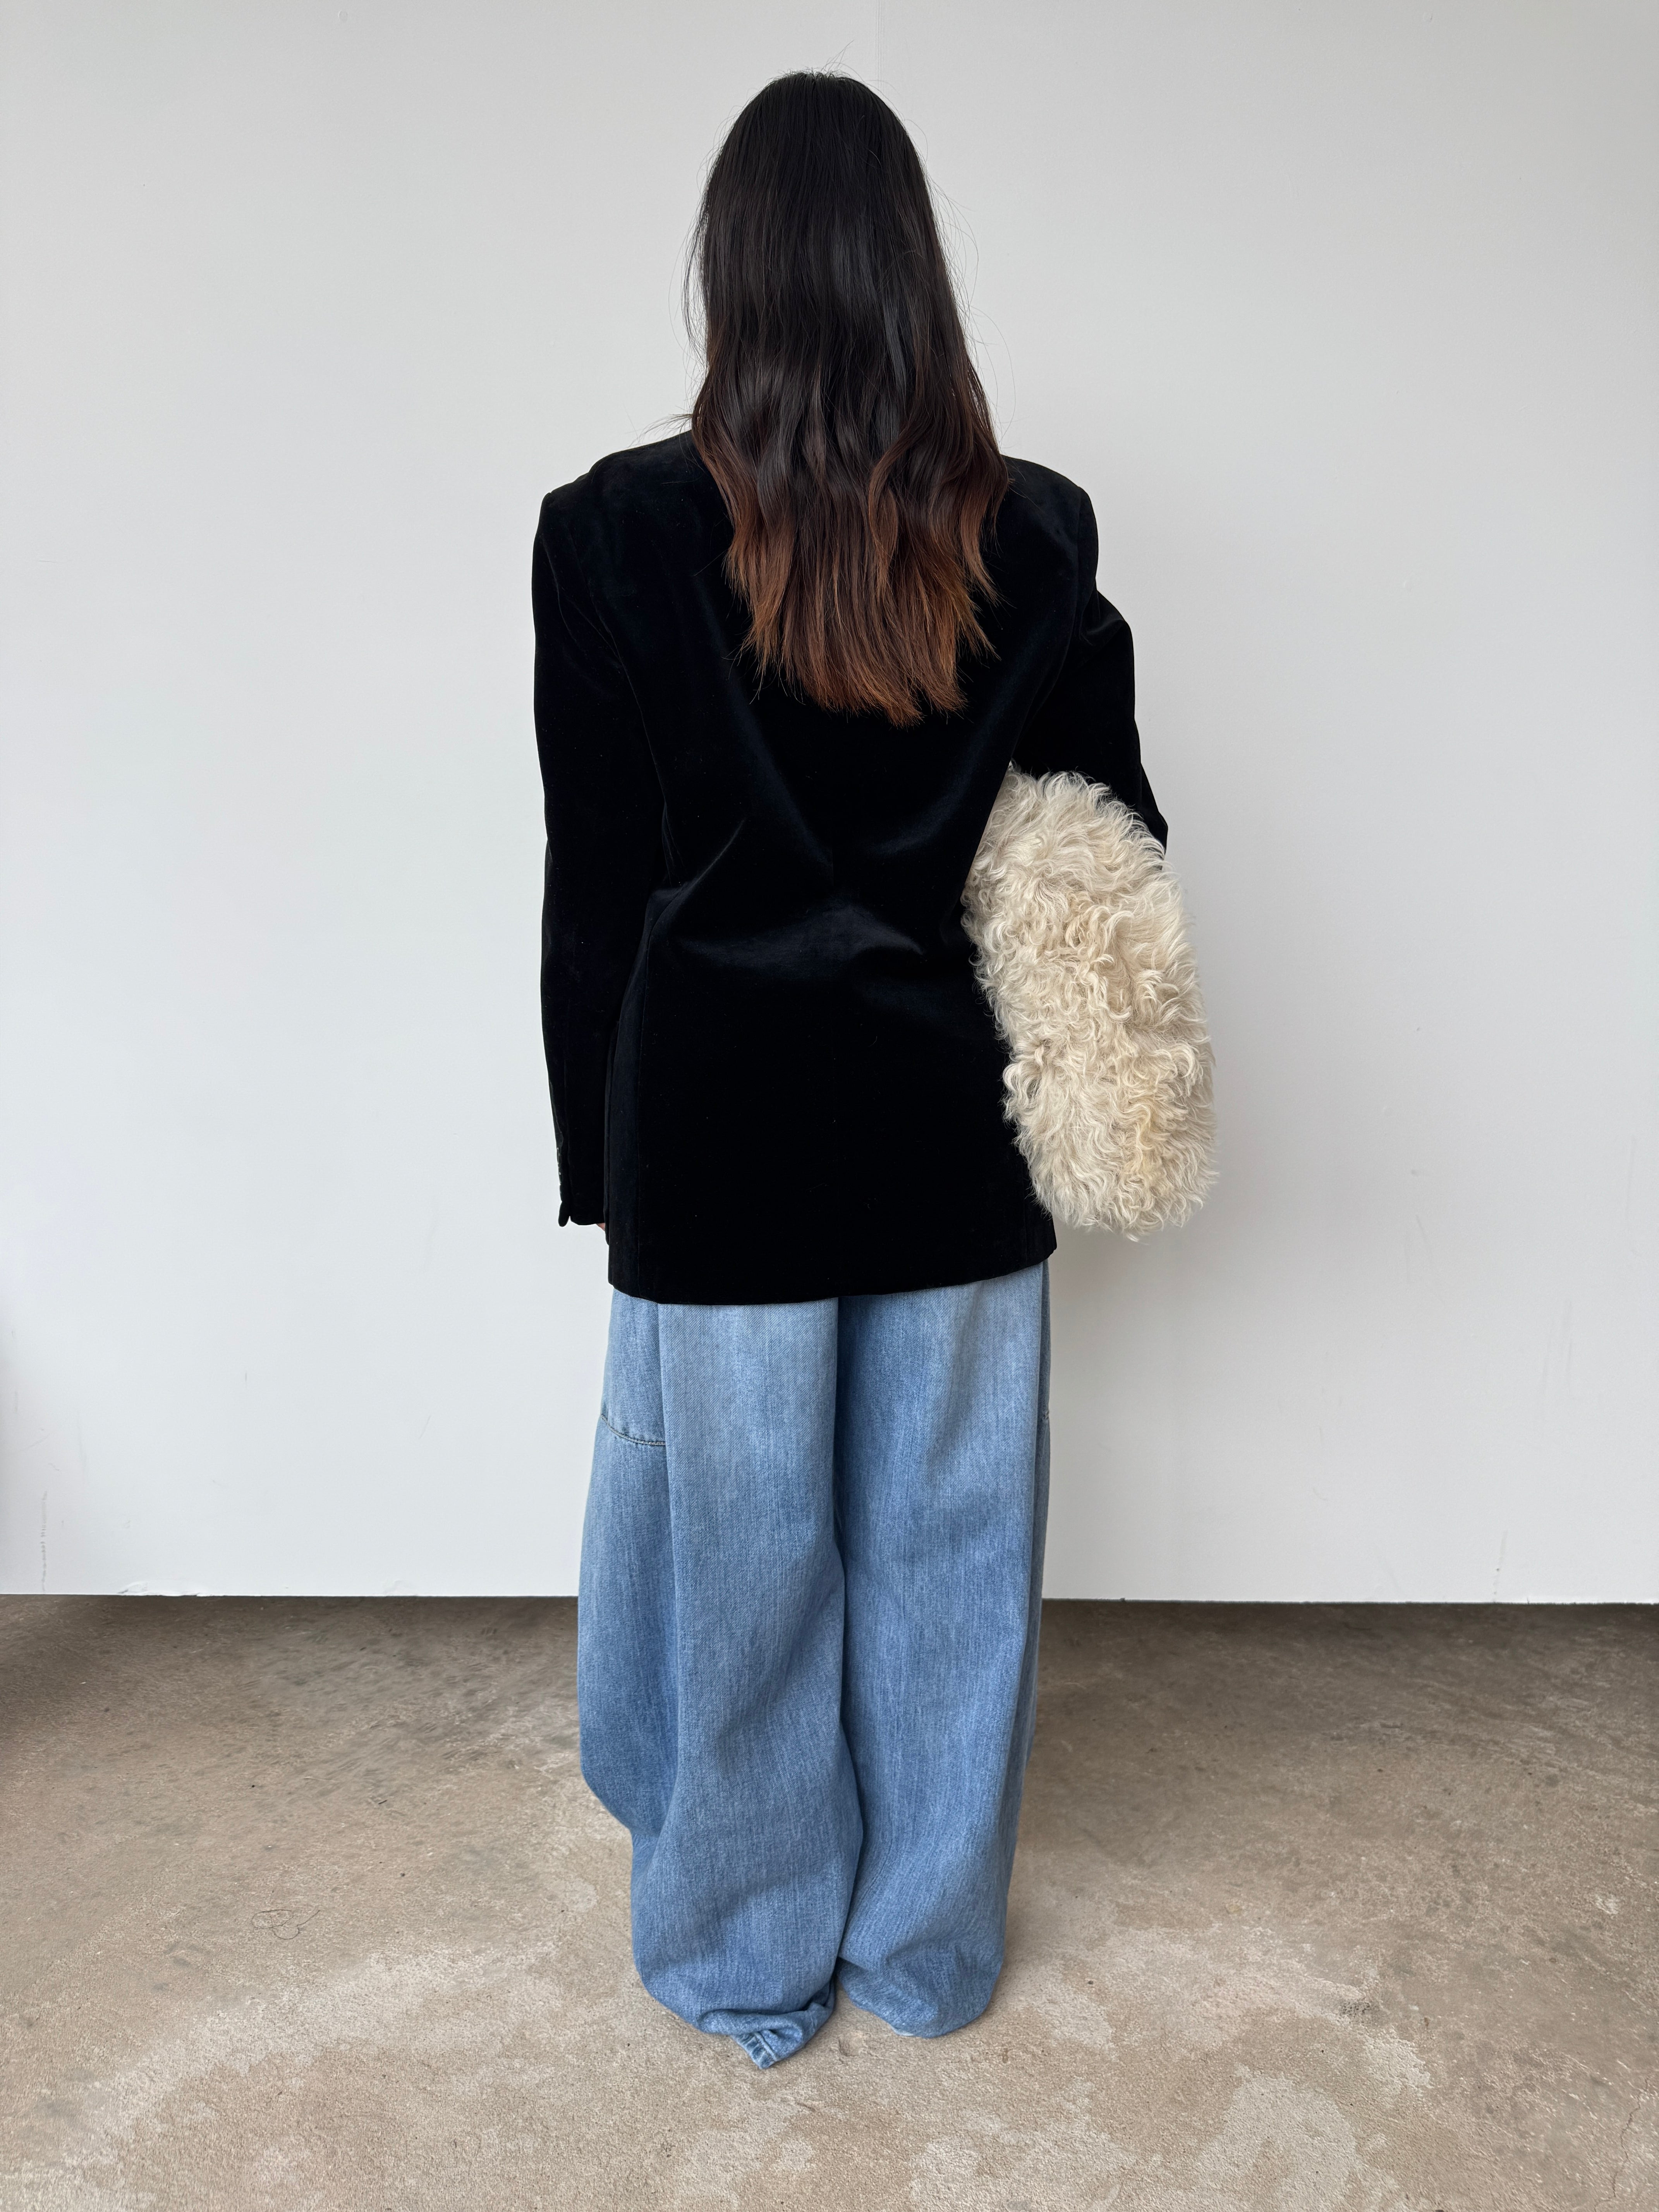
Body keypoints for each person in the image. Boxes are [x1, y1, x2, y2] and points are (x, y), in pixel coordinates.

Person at [531, 71, 1173, 2070]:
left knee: (737, 1568)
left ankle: (742, 1955)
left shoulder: (610, 530)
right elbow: (1104, 835)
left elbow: (598, 880)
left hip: (712, 1130)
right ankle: (926, 1950)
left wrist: (601, 1168)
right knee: (954, 1551)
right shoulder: (1038, 530)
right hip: (949, 1128)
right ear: (915, 272)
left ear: (729, 270)